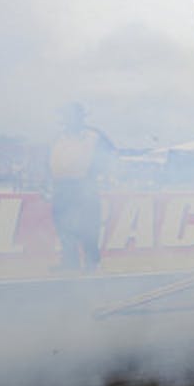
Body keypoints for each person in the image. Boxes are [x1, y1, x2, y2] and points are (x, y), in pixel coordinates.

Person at [49, 102, 115, 272]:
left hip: (85, 187)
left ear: (81, 117)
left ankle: (92, 263)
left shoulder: (94, 136)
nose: (67, 119)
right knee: (64, 227)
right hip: (61, 188)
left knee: (89, 227)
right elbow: (46, 161)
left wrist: (94, 174)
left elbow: (110, 156)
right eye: (65, 115)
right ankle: (70, 263)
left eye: (71, 115)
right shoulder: (58, 137)